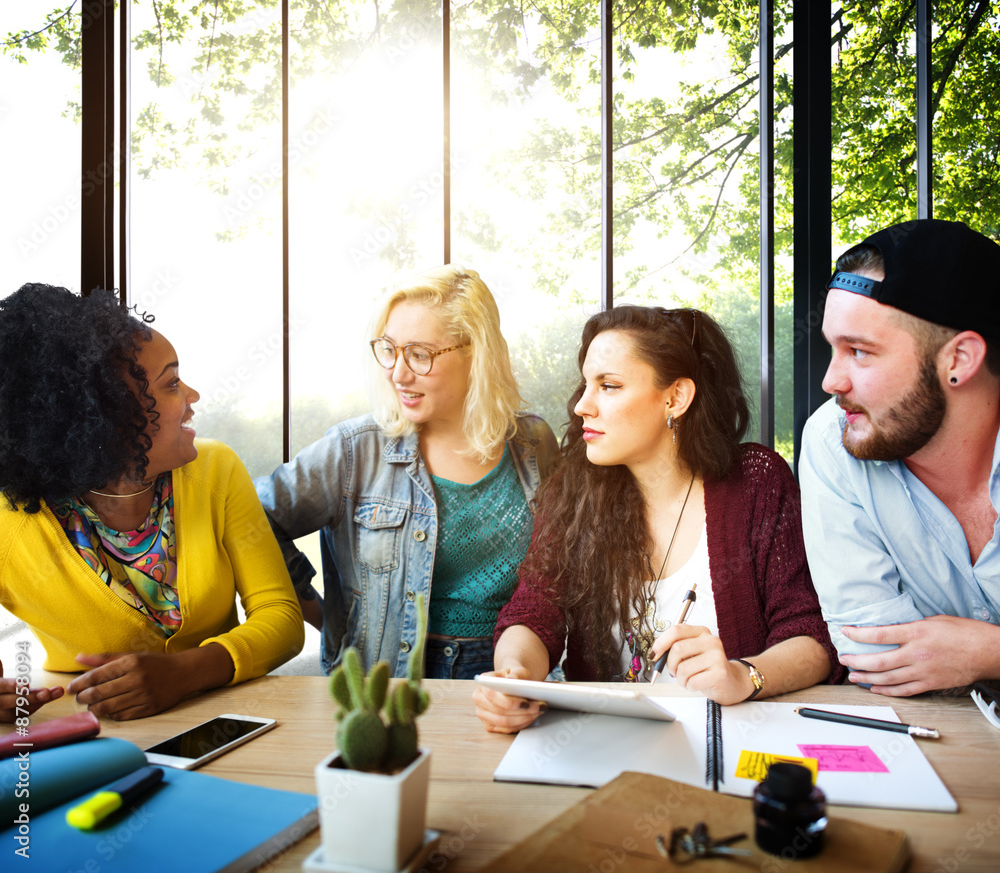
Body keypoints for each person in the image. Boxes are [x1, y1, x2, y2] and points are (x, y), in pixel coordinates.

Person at [474, 305, 840, 732]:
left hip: (727, 740)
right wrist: (515, 676)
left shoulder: (757, 483)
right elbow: (535, 611)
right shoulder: (573, 489)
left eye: (608, 386)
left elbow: (811, 634)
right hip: (602, 741)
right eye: (586, 384)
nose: (581, 406)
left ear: (675, 398)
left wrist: (744, 675)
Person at [0, 284, 304, 723]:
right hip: (93, 737)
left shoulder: (215, 470)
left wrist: (183, 673)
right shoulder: (11, 522)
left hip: (224, 725)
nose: (192, 397)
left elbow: (281, 617)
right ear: (108, 416)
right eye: (172, 383)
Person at [256, 265, 557, 680]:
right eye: (389, 349)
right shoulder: (353, 449)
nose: (398, 373)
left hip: (513, 670)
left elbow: (556, 569)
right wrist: (323, 615)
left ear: (476, 354)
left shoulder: (533, 441)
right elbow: (254, 519)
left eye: (419, 354)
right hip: (388, 682)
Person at [799, 219, 1000, 697]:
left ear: (959, 360)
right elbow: (872, 655)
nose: (831, 382)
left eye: (860, 352)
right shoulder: (834, 441)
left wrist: (986, 653)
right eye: (833, 348)